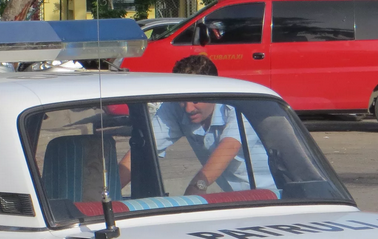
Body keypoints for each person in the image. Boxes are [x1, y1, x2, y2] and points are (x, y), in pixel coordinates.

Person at [118, 55, 277, 195]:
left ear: (214, 93)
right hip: (236, 199)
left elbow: (228, 147)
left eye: (195, 100)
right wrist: (107, 194)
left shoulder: (237, 108)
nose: (188, 108)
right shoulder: (175, 108)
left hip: (275, 197)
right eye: (182, 100)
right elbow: (142, 149)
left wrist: (196, 187)